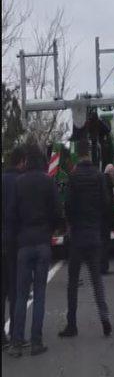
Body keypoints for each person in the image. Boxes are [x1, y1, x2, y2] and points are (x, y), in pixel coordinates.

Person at [9, 144, 62, 357]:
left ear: (26, 161)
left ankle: (16, 343)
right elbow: (57, 211)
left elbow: (11, 214)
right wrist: (50, 229)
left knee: (21, 295)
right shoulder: (48, 182)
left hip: (24, 244)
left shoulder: (19, 183)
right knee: (39, 294)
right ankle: (36, 342)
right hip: (42, 242)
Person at [58, 139, 112, 339]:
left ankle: (72, 325)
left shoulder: (73, 177)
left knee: (73, 283)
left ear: (77, 155)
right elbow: (106, 204)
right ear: (89, 154)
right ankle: (105, 320)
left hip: (78, 237)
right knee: (97, 281)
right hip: (94, 235)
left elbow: (68, 206)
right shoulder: (98, 177)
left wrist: (71, 225)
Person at [2, 146, 26, 351]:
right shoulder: (19, 182)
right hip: (15, 243)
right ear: (21, 162)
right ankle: (16, 335)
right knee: (16, 290)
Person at [100, 164, 114, 276]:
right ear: (110, 173)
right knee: (104, 243)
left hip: (99, 218)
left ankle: (101, 267)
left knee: (101, 243)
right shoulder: (108, 183)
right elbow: (108, 202)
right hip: (104, 219)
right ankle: (103, 268)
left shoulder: (101, 180)